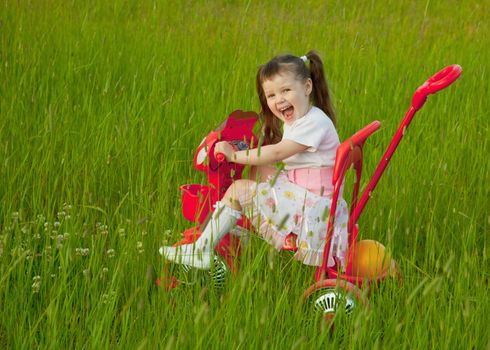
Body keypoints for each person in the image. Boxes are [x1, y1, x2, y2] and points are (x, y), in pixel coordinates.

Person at [160, 50, 348, 271]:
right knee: (256, 170)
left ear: (307, 87)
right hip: (311, 192)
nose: (279, 100)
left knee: (239, 189)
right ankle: (241, 224)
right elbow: (274, 156)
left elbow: (278, 153)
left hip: (314, 207)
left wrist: (234, 155)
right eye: (271, 95)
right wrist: (250, 156)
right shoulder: (305, 116)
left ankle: (201, 249)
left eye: (286, 90)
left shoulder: (313, 123)